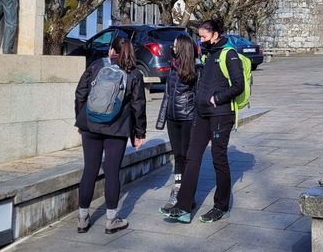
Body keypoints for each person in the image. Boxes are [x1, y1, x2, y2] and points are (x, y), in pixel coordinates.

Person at [161, 18, 244, 223]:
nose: (200, 39)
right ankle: (183, 206)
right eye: (199, 36)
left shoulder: (229, 54)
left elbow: (238, 85)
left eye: (204, 36)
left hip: (221, 115)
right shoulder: (207, 55)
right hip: (202, 114)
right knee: (192, 157)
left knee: (219, 159)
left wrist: (218, 98)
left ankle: (221, 206)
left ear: (215, 35)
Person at [74, 35, 147, 234]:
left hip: (90, 125)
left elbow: (80, 93)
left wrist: (81, 120)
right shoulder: (134, 74)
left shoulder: (97, 65)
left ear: (111, 50)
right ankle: (112, 219)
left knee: (90, 169)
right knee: (112, 172)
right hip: (117, 129)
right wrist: (139, 133)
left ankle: (82, 219)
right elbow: (138, 106)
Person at [154, 34, 198, 211]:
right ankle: (177, 191)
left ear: (182, 47)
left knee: (187, 158)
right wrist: (161, 120)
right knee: (178, 157)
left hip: (188, 118)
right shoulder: (172, 66)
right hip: (173, 119)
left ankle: (187, 196)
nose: (172, 48)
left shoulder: (197, 69)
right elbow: (167, 94)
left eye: (174, 45)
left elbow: (198, 98)